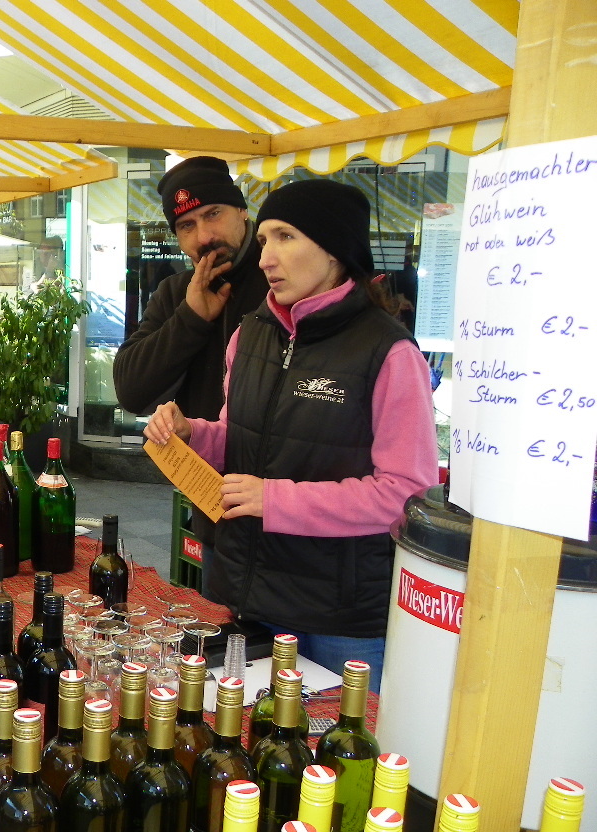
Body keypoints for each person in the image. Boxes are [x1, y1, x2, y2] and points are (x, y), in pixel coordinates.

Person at [143, 179, 438, 692]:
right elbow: (241, 437)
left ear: (335, 249)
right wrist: (194, 434)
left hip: (338, 619)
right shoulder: (250, 334)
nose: (265, 258)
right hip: (251, 599)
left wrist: (274, 500)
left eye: (285, 237)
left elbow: (405, 494)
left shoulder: (389, 352)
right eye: (263, 240)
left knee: (340, 741)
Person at [114, 155, 270, 590]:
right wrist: (192, 318)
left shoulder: (281, 281)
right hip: (215, 515)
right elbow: (131, 390)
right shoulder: (177, 292)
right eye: (186, 226)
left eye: (213, 214)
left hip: (286, 514)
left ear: (242, 210)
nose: (204, 236)